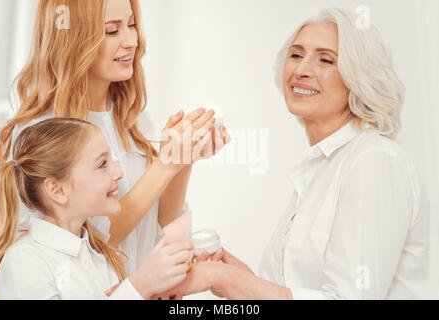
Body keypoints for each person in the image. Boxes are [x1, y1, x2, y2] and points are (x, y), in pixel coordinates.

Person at [157, 8, 432, 300]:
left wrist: (225, 279)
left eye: (325, 59)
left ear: (358, 77)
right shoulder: (320, 168)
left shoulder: (374, 160)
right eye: (296, 54)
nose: (301, 69)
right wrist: (241, 279)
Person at [0, 0, 230, 275]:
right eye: (112, 31)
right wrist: (164, 165)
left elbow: (161, 221)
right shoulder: (41, 132)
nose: (131, 41)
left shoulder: (135, 120)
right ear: (73, 39)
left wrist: (183, 159)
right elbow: (94, 240)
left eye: (131, 25)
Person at [0, 118, 195, 300]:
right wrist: (138, 287)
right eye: (102, 164)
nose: (118, 173)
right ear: (58, 190)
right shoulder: (24, 262)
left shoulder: (101, 256)